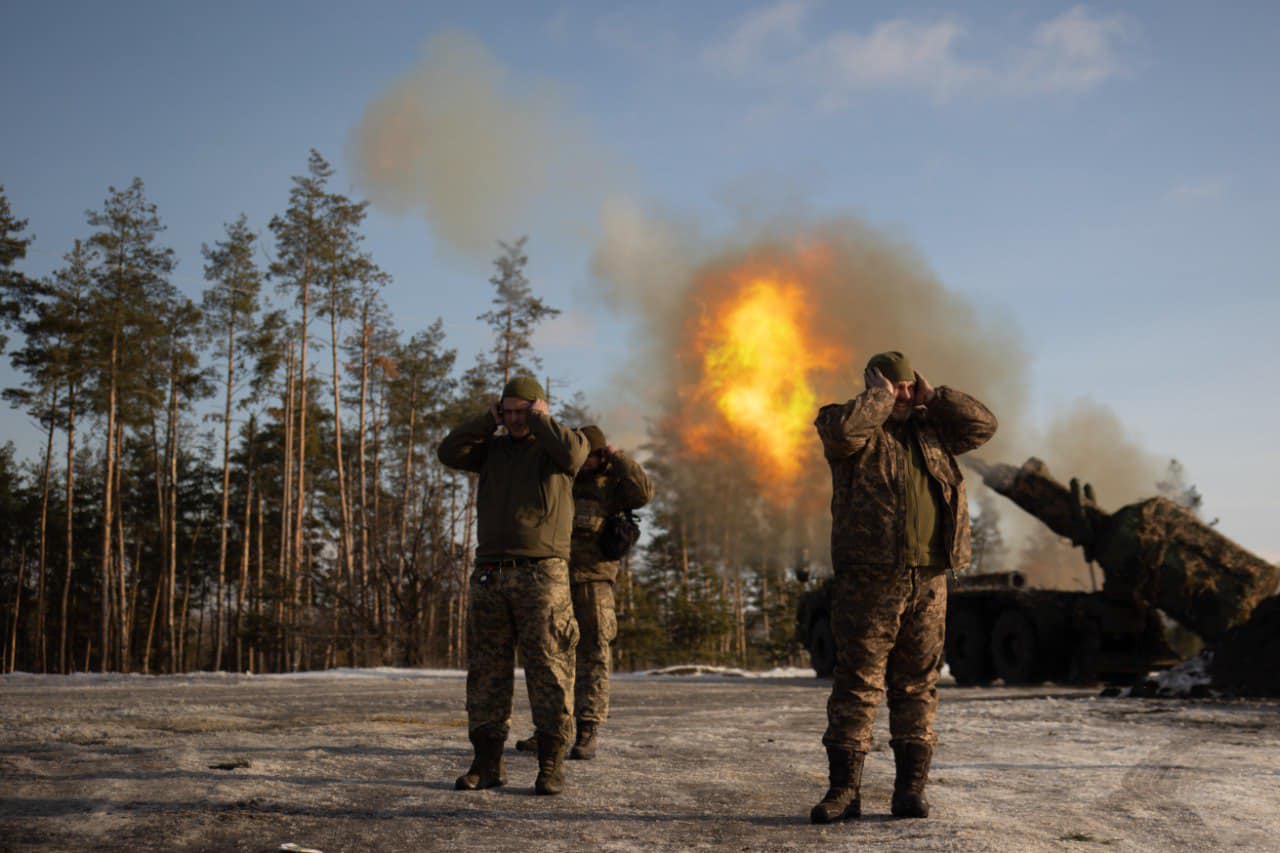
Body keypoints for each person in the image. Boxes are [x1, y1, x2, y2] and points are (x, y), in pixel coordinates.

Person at [810, 351, 997, 823]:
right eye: (896, 388)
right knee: (858, 684)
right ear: (876, 386)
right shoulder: (848, 424)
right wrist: (878, 397)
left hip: (930, 579)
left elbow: (983, 426)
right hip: (870, 581)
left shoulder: (933, 431)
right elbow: (842, 433)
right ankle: (844, 790)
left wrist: (936, 398)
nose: (903, 396)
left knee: (918, 685)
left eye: (908, 387)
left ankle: (910, 790)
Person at [437, 376, 589, 796]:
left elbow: (576, 454)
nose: (516, 419)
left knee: (550, 670)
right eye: (509, 412)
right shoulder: (493, 449)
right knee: (487, 671)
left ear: (539, 409)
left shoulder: (558, 447)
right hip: (490, 572)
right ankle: (487, 764)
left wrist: (542, 421)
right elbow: (448, 451)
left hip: (543, 574)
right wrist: (487, 420)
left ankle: (551, 764)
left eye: (524, 411)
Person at [515, 425, 654, 760]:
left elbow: (645, 493)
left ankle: (588, 729)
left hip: (595, 582)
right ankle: (550, 730)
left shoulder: (614, 485)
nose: (586, 461)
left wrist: (618, 458)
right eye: (583, 453)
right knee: (552, 656)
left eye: (593, 454)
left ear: (601, 454)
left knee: (593, 654)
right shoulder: (563, 479)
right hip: (555, 579)